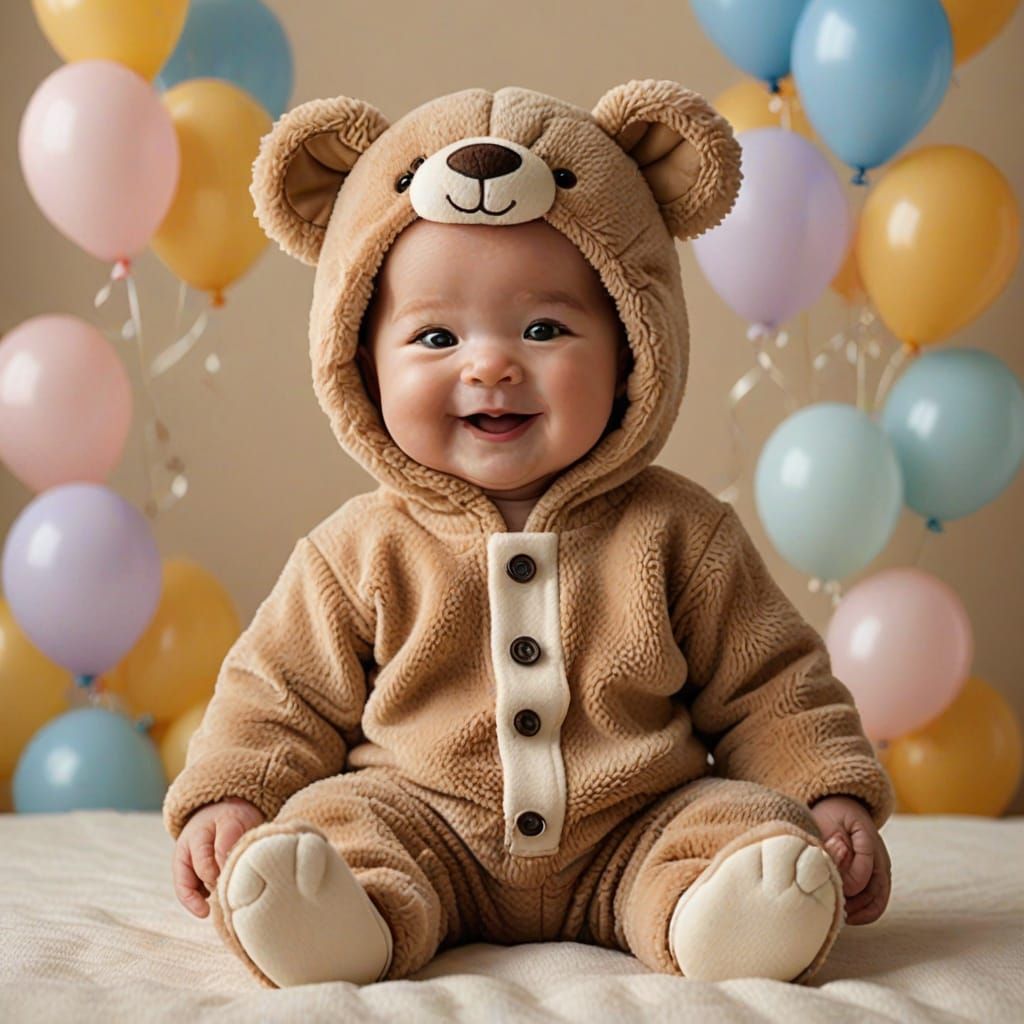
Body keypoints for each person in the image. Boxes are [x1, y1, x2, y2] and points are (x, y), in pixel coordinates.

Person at [164, 79, 894, 989]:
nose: (491, 364)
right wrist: (232, 795)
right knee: (336, 823)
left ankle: (724, 913)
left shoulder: (679, 532)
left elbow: (771, 683)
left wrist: (825, 793)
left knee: (738, 823)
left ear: (635, 348)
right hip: (424, 820)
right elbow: (277, 697)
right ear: (359, 360)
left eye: (544, 327)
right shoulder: (357, 550)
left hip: (634, 820)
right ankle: (340, 918)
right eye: (434, 338)